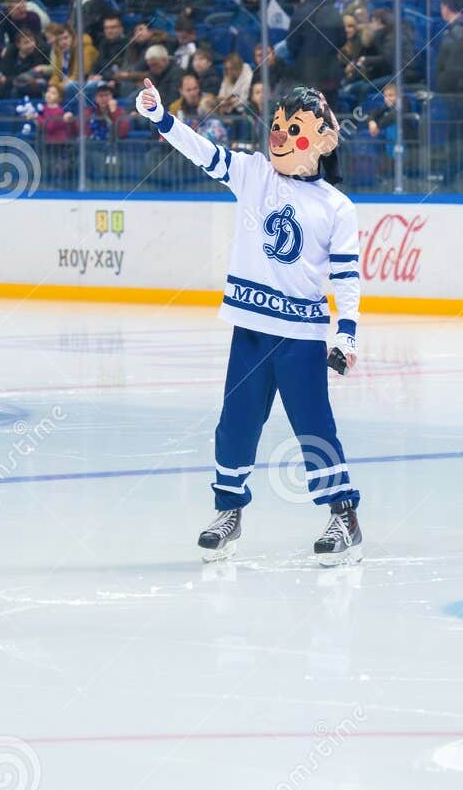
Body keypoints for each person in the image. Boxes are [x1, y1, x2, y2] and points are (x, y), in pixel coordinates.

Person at [133, 80, 364, 565]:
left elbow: (345, 277)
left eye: (292, 128)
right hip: (251, 332)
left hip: (300, 338)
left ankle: (343, 515)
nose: (278, 134)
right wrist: (160, 117)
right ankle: (228, 511)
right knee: (235, 424)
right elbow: (204, 152)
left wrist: (346, 333)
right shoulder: (254, 174)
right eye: (277, 125)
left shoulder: (337, 208)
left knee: (314, 428)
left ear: (321, 140)